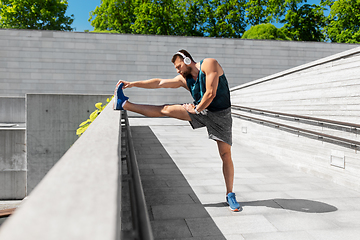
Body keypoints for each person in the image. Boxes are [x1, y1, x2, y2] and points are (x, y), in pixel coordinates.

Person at [114, 49, 241, 212]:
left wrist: (196, 109)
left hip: (220, 115)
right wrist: (132, 84)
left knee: (225, 155)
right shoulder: (184, 79)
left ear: (187, 61)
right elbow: (159, 83)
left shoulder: (209, 64)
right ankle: (124, 104)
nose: (178, 70)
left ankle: (230, 194)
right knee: (165, 109)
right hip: (199, 110)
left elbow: (211, 93)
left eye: (179, 66)